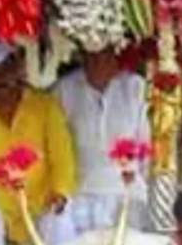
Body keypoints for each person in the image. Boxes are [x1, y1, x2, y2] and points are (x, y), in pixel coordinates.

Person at [0, 44, 75, 244]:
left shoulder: (45, 106)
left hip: (43, 202)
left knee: (59, 220)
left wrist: (60, 192)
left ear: (16, 69)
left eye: (4, 72)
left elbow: (62, 157)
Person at [55, 48, 149, 233]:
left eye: (105, 54)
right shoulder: (63, 89)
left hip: (128, 193)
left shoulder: (136, 87)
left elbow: (146, 148)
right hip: (80, 194)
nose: (98, 62)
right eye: (91, 55)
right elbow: (58, 150)